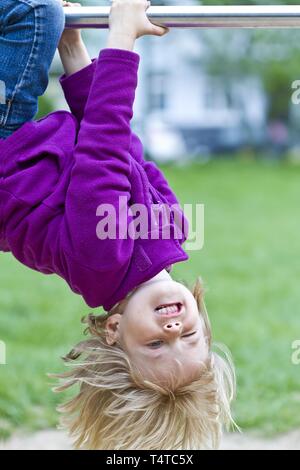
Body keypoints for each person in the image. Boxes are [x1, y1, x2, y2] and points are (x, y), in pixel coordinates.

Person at [0, 0, 237, 449]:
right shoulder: (172, 228)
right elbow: (122, 149)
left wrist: (122, 39)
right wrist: (73, 47)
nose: (173, 333)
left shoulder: (102, 260)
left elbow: (103, 151)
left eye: (155, 347)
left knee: (33, 12)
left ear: (114, 330)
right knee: (51, 22)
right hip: (26, 141)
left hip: (6, 141)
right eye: (190, 338)